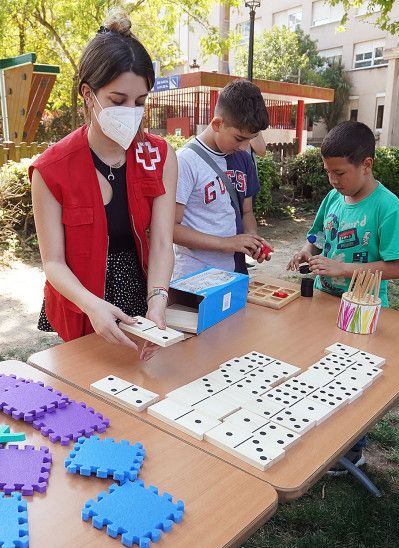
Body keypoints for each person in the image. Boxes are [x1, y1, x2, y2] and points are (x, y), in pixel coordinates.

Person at [29, 12, 177, 358]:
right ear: (88, 94)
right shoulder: (51, 169)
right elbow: (53, 263)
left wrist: (157, 299)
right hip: (79, 300)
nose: (131, 111)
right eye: (117, 100)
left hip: (138, 292)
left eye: (140, 102)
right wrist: (92, 305)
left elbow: (160, 242)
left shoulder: (159, 156)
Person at [286, 121, 399, 308]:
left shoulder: (388, 207)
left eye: (339, 172)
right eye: (328, 172)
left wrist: (343, 269)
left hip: (363, 306)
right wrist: (306, 251)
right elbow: (318, 236)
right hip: (322, 297)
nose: (332, 180)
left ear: (366, 165)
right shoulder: (333, 197)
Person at [174, 79, 270, 278]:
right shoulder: (185, 161)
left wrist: (252, 240)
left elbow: (247, 211)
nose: (244, 147)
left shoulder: (243, 159)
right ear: (217, 124)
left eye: (250, 140)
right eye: (239, 138)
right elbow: (171, 229)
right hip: (194, 278)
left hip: (234, 274)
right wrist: (226, 243)